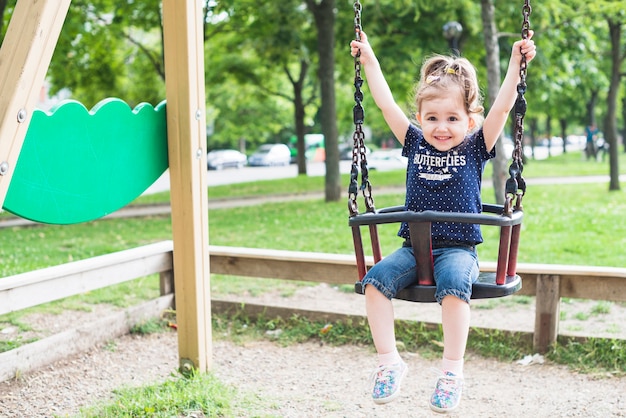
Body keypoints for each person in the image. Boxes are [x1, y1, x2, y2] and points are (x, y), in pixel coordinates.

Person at [350, 30, 536, 413]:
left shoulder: (475, 146)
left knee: (453, 287)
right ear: (420, 118)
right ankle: (389, 362)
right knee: (373, 284)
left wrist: (517, 65)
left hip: (457, 249)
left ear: (470, 121)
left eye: (452, 118)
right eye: (432, 117)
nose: (441, 126)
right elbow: (385, 106)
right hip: (413, 250)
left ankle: (451, 373)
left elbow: (502, 109)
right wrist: (369, 60)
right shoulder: (415, 142)